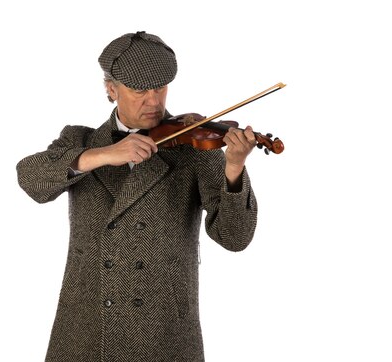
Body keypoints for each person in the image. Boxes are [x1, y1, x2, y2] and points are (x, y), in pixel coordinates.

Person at [16, 31, 258, 362]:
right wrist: (101, 155)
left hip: (164, 328)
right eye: (139, 90)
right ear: (111, 89)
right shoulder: (80, 140)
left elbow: (235, 238)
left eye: (160, 88)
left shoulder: (194, 146)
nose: (153, 101)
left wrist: (233, 168)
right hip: (87, 325)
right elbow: (30, 178)